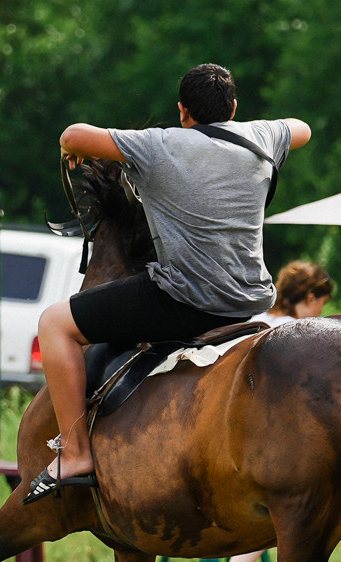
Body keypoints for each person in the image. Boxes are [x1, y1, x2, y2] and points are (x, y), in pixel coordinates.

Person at [32, 63, 312, 499]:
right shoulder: (263, 136)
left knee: (54, 323)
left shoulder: (158, 144)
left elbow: (72, 135)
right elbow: (303, 128)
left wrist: (93, 148)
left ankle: (74, 452)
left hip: (184, 302)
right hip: (251, 302)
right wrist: (264, 128)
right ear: (233, 108)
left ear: (183, 111)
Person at [204, 260, 337, 562]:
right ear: (310, 297)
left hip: (231, 434)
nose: (323, 309)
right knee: (288, 519)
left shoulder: (258, 321)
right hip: (276, 439)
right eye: (322, 300)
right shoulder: (300, 333)